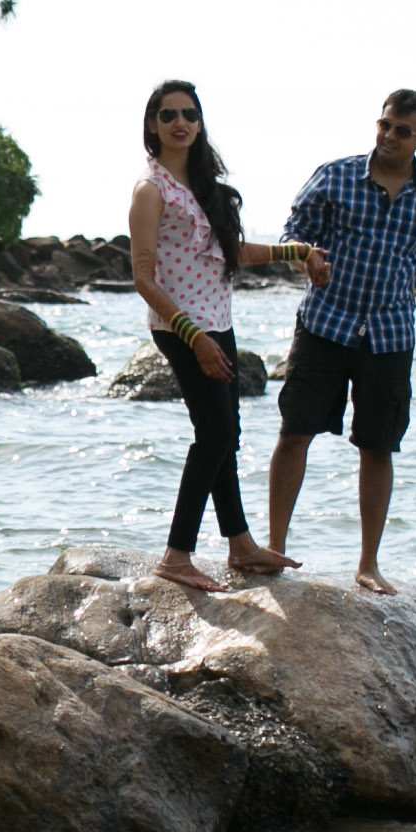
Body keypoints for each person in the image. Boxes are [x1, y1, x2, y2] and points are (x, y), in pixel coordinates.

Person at [127, 80, 320, 594]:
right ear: (152, 125)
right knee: (212, 436)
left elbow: (231, 252)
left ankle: (240, 545)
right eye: (168, 115)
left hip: (218, 322)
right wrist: (193, 336)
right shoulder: (151, 191)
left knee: (225, 436)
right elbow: (143, 278)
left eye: (189, 113)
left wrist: (295, 253)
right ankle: (176, 555)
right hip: (183, 328)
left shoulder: (201, 188)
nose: (180, 122)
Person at [268, 87, 416, 595]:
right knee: (295, 431)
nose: (390, 136)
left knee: (378, 446)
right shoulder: (335, 177)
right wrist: (307, 256)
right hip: (325, 324)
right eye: (385, 125)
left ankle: (368, 564)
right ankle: (274, 548)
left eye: (403, 130)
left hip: (390, 336)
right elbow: (294, 233)